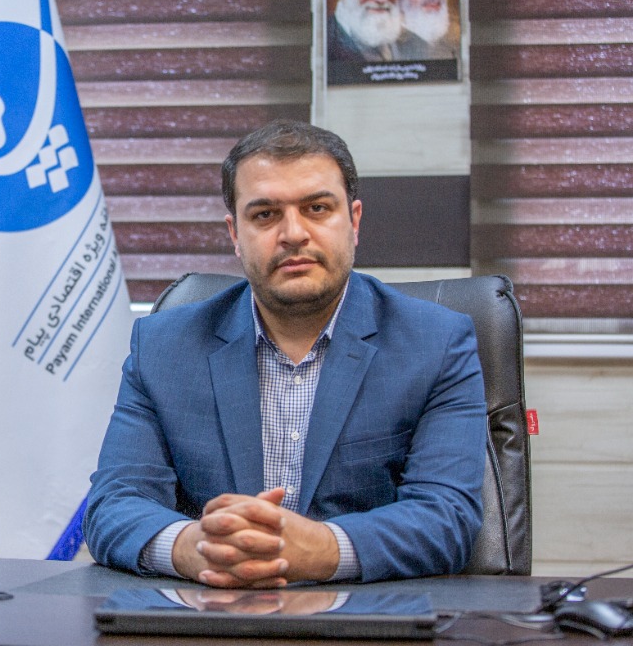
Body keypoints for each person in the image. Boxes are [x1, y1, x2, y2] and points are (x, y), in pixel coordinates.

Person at [84, 120, 487, 587]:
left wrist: (318, 549)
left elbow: (446, 516)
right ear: (235, 234)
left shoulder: (437, 343)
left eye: (317, 208)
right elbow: (113, 506)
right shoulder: (164, 347)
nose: (294, 233)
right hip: (211, 610)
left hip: (365, 615)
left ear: (354, 221)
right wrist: (196, 548)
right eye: (265, 214)